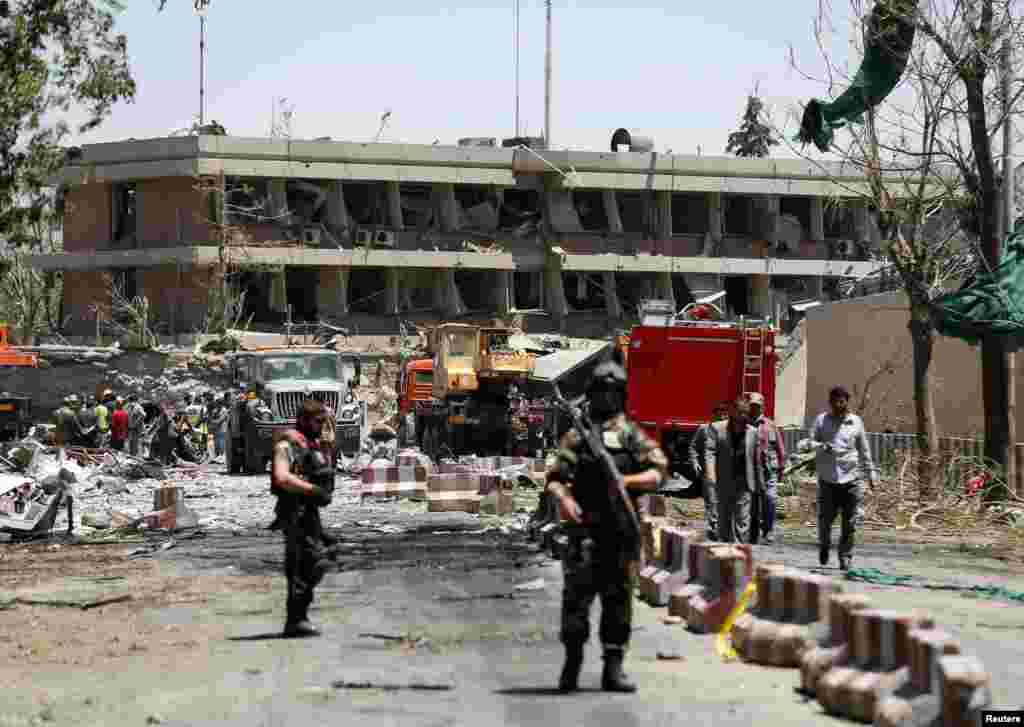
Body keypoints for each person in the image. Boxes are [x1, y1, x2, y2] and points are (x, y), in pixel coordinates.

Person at [545, 360, 669, 694]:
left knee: (618, 603)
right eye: (602, 391)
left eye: (613, 392)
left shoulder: (630, 435)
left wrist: (627, 481)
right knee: (576, 602)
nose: (607, 398)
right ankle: (572, 664)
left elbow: (659, 472)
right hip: (585, 531)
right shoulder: (579, 435)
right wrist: (565, 500)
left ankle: (613, 668)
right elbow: (555, 479)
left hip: (620, 532)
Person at [271, 398, 334, 638]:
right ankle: (296, 619)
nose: (321, 426)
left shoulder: (309, 444)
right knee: (303, 564)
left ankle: (299, 616)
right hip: (293, 511)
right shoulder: (287, 445)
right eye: (318, 421)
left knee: (319, 558)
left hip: (308, 511)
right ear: (303, 420)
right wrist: (312, 490)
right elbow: (282, 477)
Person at [808, 386, 877, 571]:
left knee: (850, 521)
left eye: (842, 401)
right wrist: (821, 446)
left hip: (851, 479)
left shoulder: (856, 422)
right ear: (830, 403)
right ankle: (824, 545)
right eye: (835, 401)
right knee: (825, 520)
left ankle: (845, 556)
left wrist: (871, 472)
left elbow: (864, 449)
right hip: (828, 479)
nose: (839, 405)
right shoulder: (821, 420)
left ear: (847, 401)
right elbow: (810, 443)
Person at [704, 398, 757, 544]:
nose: (743, 416)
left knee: (742, 518)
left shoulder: (752, 432)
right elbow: (710, 452)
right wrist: (711, 474)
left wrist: (760, 481)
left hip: (744, 481)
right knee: (724, 517)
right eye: (740, 412)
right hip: (724, 479)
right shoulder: (716, 428)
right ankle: (724, 546)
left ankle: (740, 547)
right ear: (733, 412)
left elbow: (756, 458)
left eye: (745, 413)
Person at [687, 401, 730, 541]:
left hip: (726, 472)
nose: (722, 416)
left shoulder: (731, 430)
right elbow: (693, 447)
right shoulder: (704, 429)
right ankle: (714, 526)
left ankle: (723, 527)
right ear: (714, 414)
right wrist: (695, 462)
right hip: (708, 471)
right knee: (711, 500)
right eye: (719, 413)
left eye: (725, 413)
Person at [747, 392, 785, 544]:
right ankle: (754, 531)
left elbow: (780, 448)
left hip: (769, 469)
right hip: (751, 470)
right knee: (753, 502)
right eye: (752, 406)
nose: (754, 408)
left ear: (762, 406)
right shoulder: (743, 424)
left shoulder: (770, 425)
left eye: (757, 406)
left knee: (770, 498)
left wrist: (781, 467)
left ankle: (768, 530)